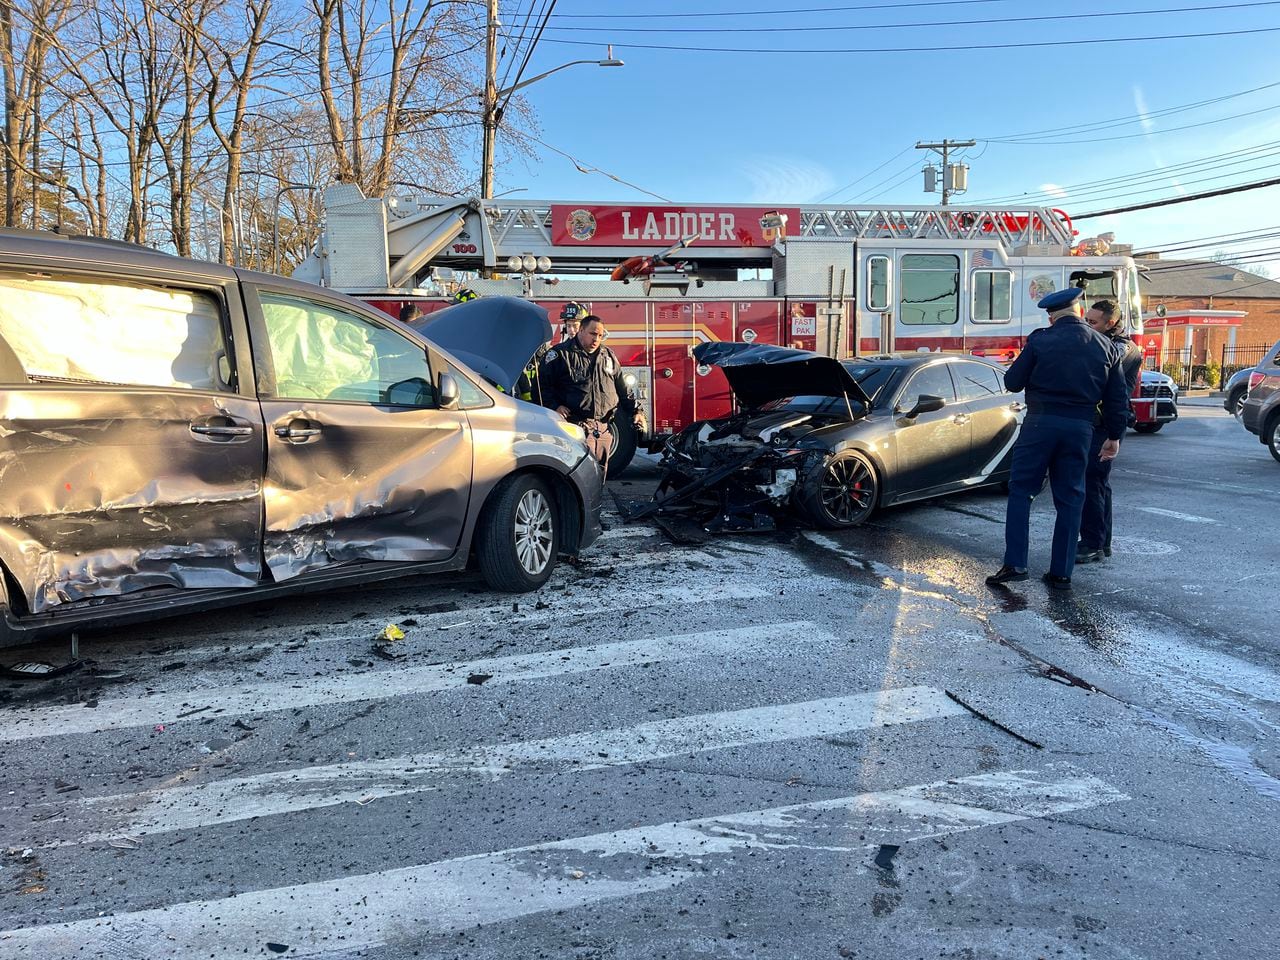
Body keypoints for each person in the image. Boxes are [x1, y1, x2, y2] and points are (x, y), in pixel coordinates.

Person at [986, 286, 1129, 590]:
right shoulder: (1106, 347)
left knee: (1022, 491)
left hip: (1040, 424)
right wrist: (1114, 436)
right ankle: (1061, 572)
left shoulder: (1040, 340)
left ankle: (1015, 564)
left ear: (1052, 316)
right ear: (1079, 312)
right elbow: (1118, 399)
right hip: (1080, 428)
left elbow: (1012, 382)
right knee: (1071, 497)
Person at [1076, 299, 1144, 564]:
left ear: (1111, 323)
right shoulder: (1102, 342)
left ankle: (1093, 542)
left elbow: (1099, 372)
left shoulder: (1123, 347)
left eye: (1092, 322)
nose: (1088, 326)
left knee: (1093, 482)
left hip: (1107, 425)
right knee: (1097, 484)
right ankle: (1100, 541)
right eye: (1086, 321)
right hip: (1097, 423)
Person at [539, 314, 646, 467]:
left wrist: (637, 411)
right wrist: (554, 406)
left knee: (598, 479)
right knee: (577, 478)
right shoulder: (559, 354)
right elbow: (542, 386)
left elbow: (623, 388)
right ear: (580, 331)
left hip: (603, 430)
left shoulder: (607, 356)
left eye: (600, 335)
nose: (596, 339)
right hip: (574, 429)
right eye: (593, 334)